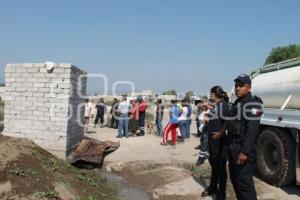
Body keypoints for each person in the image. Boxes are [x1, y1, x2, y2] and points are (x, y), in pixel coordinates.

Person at [226, 74, 263, 200]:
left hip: (242, 149)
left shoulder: (253, 104)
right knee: (235, 181)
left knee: (244, 184)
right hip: (233, 147)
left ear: (249, 88)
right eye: (236, 85)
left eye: (241, 86)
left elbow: (252, 130)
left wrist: (245, 152)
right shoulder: (237, 102)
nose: (237, 88)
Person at [200, 86, 230, 200]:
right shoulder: (218, 105)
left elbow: (228, 122)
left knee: (221, 168)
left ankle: (221, 194)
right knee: (214, 165)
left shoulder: (223, 106)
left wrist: (219, 134)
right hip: (212, 141)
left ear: (214, 94)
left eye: (211, 94)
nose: (210, 96)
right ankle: (213, 187)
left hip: (219, 141)